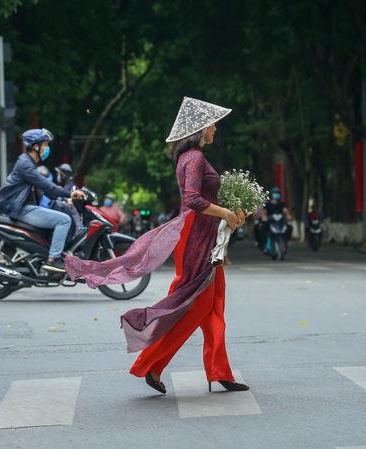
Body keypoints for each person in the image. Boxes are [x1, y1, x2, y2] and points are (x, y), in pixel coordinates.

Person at [64, 97, 248, 395]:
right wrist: (225, 212)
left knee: (213, 306)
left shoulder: (190, 157)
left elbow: (203, 200)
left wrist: (230, 214)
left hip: (205, 236)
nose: (215, 129)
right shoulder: (195, 158)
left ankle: (219, 371)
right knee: (193, 307)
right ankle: (150, 364)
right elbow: (192, 200)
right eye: (213, 124)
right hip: (196, 240)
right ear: (200, 128)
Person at [0, 128, 85, 273]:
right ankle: (53, 259)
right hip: (23, 209)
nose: (47, 149)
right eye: (45, 145)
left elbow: (47, 190)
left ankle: (47, 253)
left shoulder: (27, 162)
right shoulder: (25, 164)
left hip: (25, 207)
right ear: (35, 146)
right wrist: (70, 194)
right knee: (64, 220)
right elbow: (47, 185)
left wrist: (62, 195)